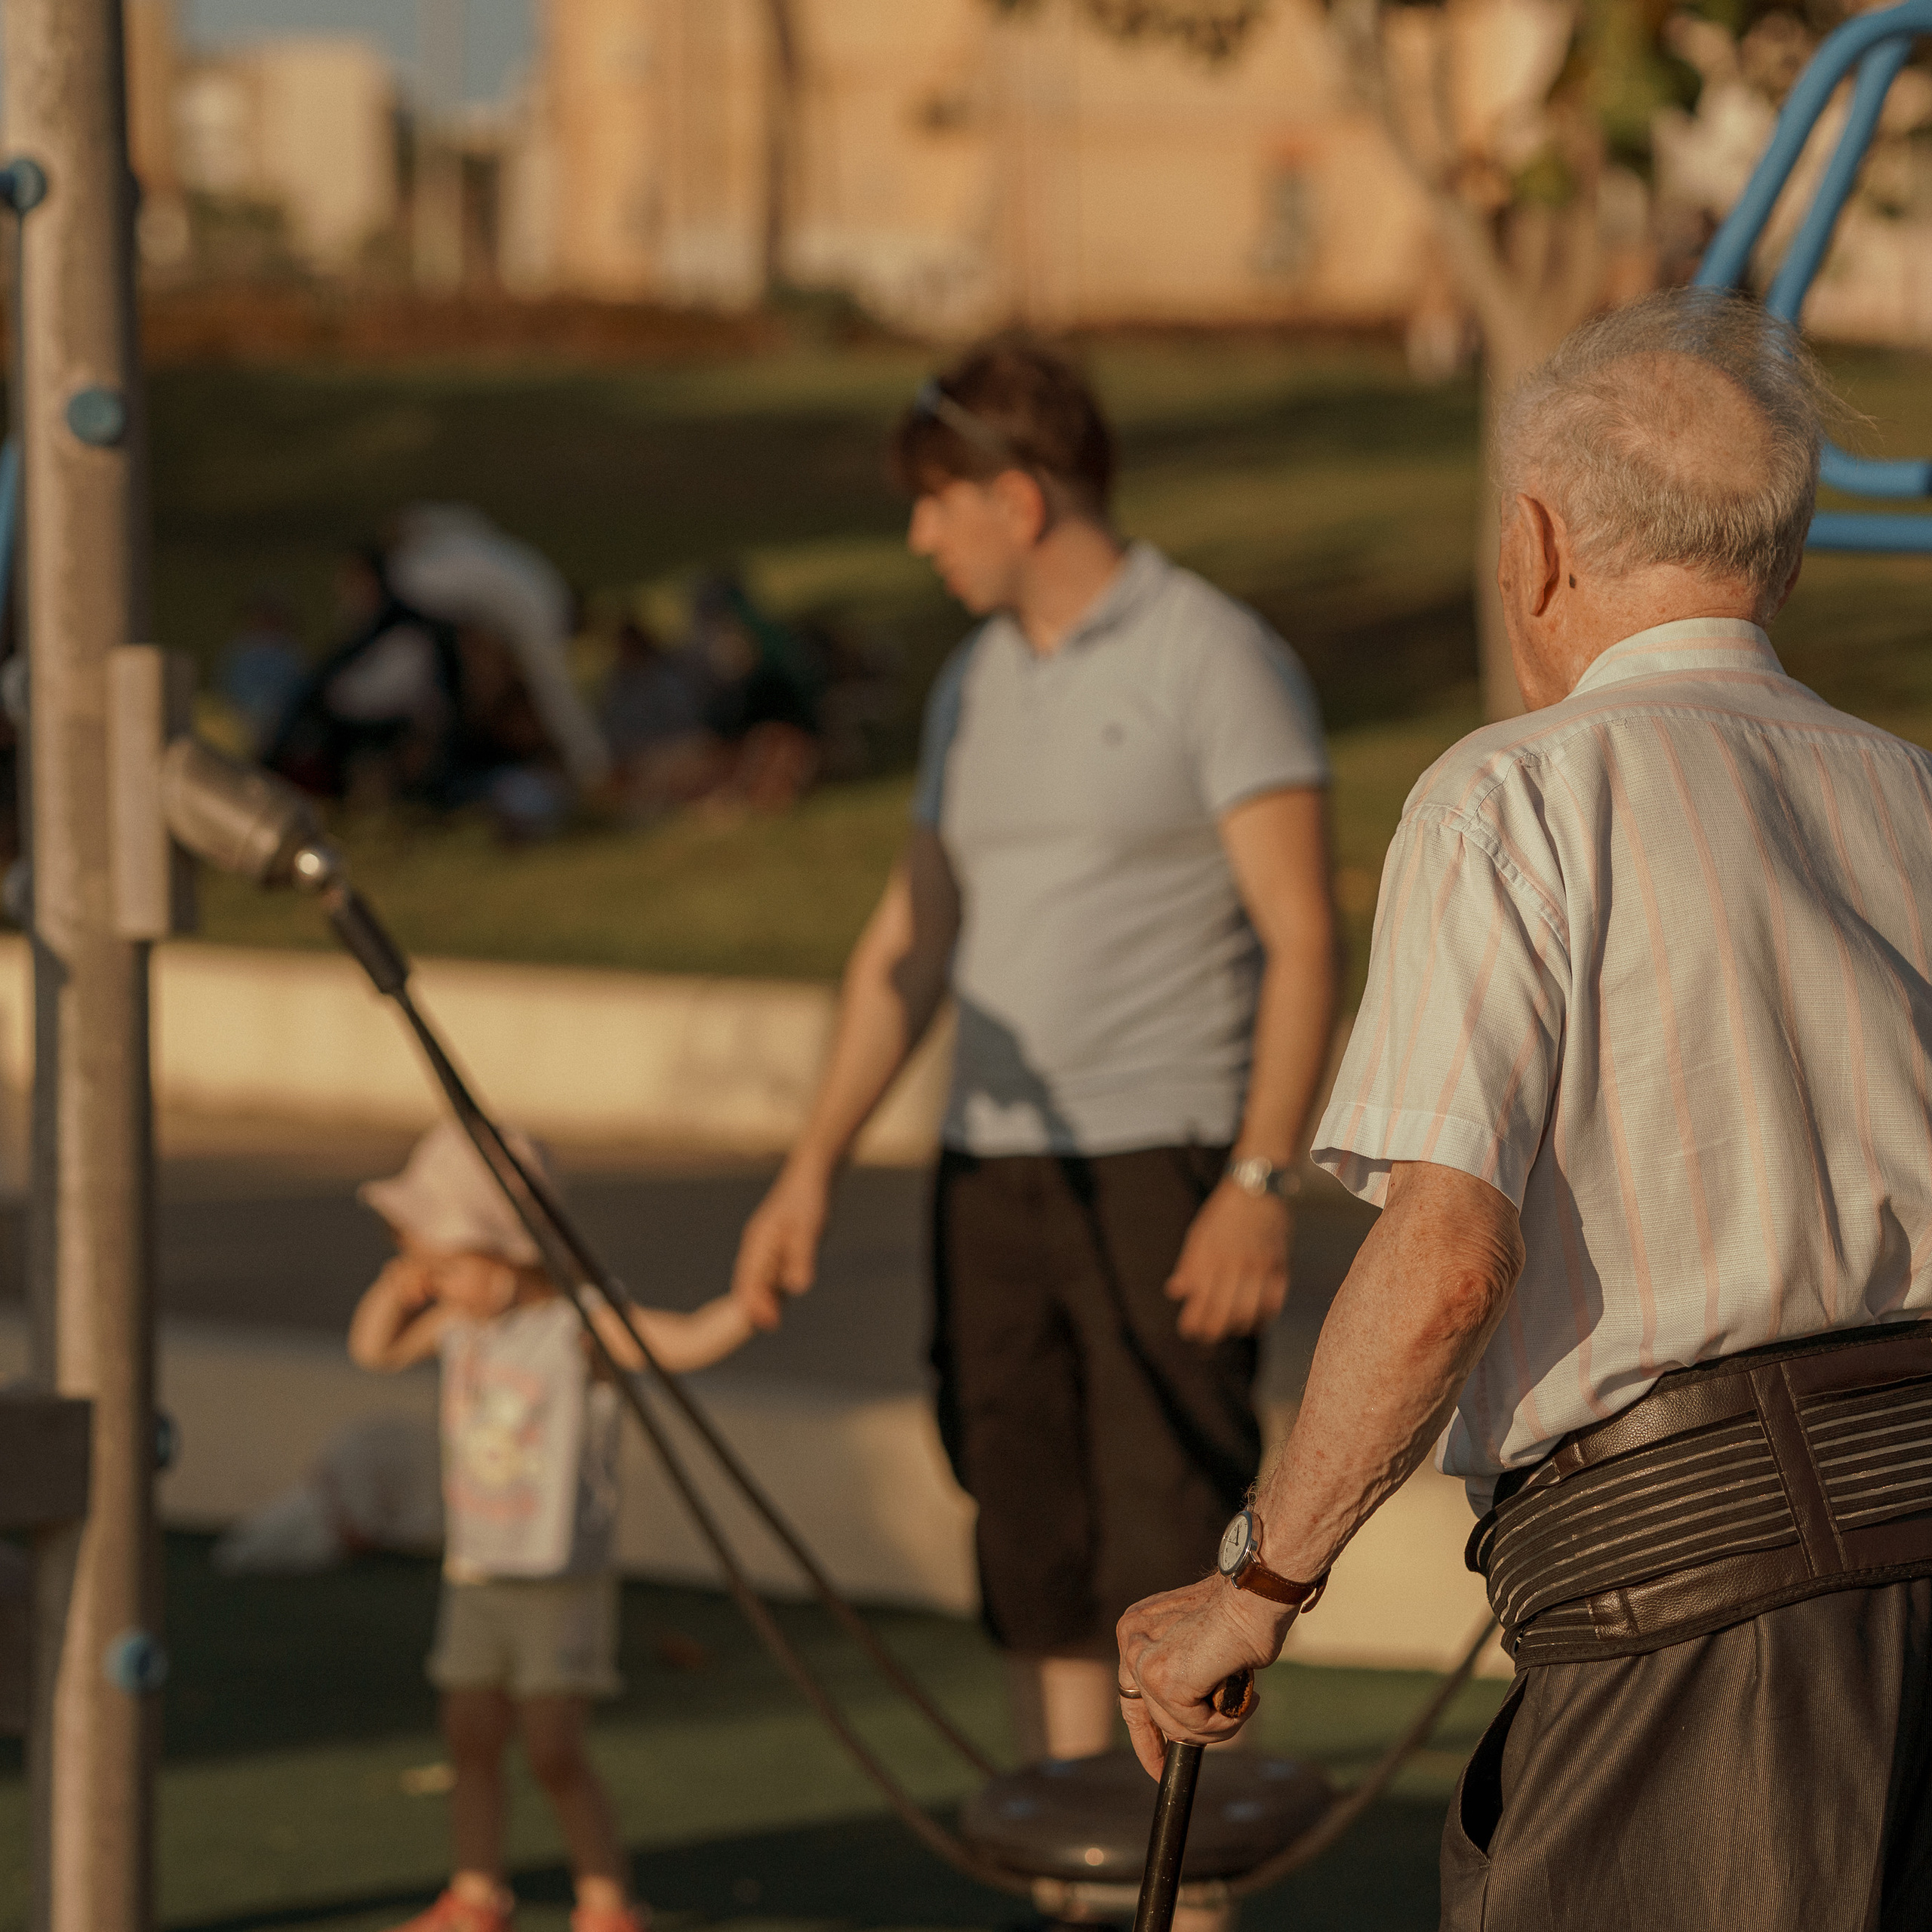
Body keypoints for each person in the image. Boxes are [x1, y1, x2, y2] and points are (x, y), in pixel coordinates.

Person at [1115, 288, 1932, 1928]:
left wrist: (1256, 1583)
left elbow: (1444, 1262)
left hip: (1699, 1589)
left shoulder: (1507, 795)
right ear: (1769, 561)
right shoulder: (1906, 789)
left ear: (1536, 544)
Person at [728, 339, 1337, 1765]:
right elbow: (912, 940)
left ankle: (1178, 1906)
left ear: (1020, 497)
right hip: (987, 1175)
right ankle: (1080, 1882)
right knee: (1032, 1544)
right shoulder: (973, 684)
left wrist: (1259, 1180)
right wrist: (808, 1167)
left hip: (1165, 1172)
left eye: (936, 501)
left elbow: (1303, 934)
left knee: (1168, 1547)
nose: (918, 533)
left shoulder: (1217, 655)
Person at [349, 1120, 752, 1932]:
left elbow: (670, 1343)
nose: (438, 1281)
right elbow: (375, 1352)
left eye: (451, 1263)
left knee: (553, 1749)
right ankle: (475, 1889)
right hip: (478, 1573)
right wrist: (398, 1290)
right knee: (468, 1734)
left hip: (557, 1581)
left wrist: (742, 1309)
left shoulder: (576, 1328)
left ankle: (606, 1900)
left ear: (514, 1255)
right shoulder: (461, 1323)